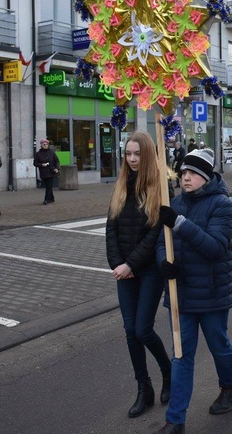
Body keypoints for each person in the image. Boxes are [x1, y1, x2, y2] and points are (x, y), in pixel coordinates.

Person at [154, 148, 232, 434]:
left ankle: (231, 384)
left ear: (205, 176)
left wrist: (179, 224)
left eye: (191, 173)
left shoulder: (222, 205)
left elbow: (216, 248)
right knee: (181, 355)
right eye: (183, 173)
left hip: (212, 293)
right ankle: (175, 420)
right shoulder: (175, 203)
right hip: (180, 293)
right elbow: (160, 243)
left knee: (219, 345)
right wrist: (163, 264)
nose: (185, 177)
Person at [106, 131, 172, 420]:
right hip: (125, 271)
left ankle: (167, 372)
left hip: (148, 271)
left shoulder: (160, 186)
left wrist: (130, 264)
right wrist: (117, 263)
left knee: (143, 329)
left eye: (137, 154)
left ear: (147, 156)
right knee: (130, 331)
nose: (132, 159)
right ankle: (143, 388)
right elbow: (111, 228)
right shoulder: (121, 184)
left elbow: (156, 233)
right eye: (128, 154)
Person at [33, 139, 60, 205]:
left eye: (46, 144)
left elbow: (56, 161)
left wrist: (56, 168)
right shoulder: (38, 154)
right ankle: (51, 198)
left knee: (49, 186)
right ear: (41, 145)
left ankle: (46, 199)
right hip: (43, 172)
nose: (45, 145)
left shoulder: (51, 152)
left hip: (51, 172)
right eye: (44, 144)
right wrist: (41, 164)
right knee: (48, 186)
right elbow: (35, 163)